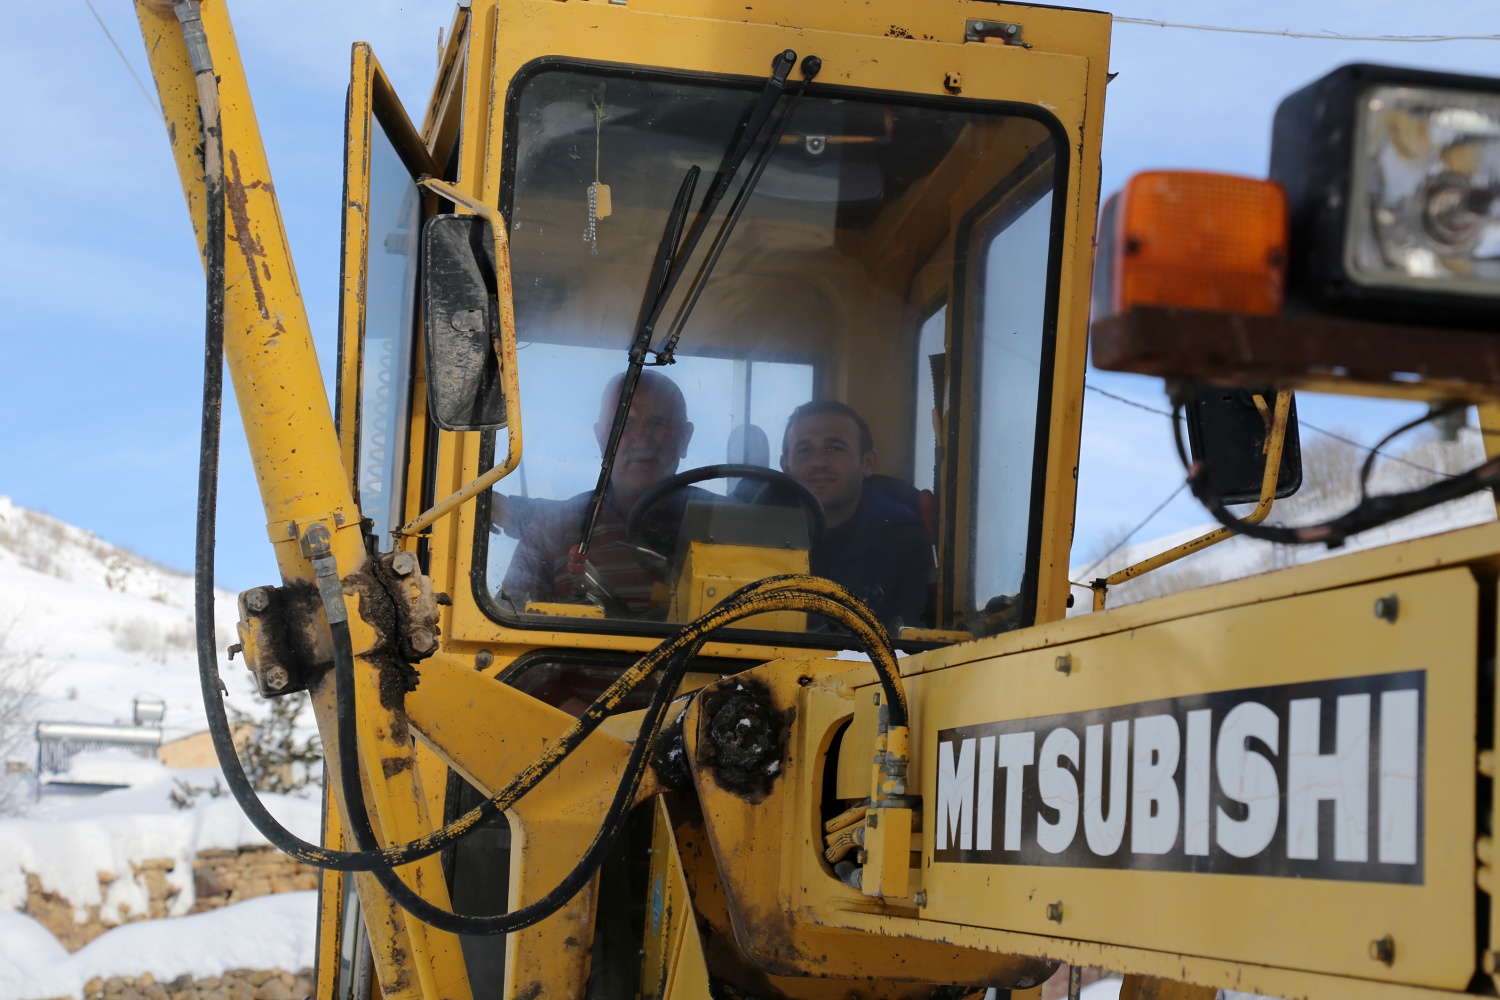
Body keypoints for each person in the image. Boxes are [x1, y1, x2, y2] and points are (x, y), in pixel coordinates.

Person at [501, 370, 695, 614]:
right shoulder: (549, 532)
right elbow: (506, 621)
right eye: (626, 424)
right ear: (602, 439)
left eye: (658, 423)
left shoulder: (722, 525)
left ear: (685, 437)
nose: (641, 439)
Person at [780, 400, 932, 631]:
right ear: (785, 466)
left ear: (868, 463)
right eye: (804, 449)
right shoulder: (750, 533)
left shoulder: (904, 542)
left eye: (834, 448)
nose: (818, 462)